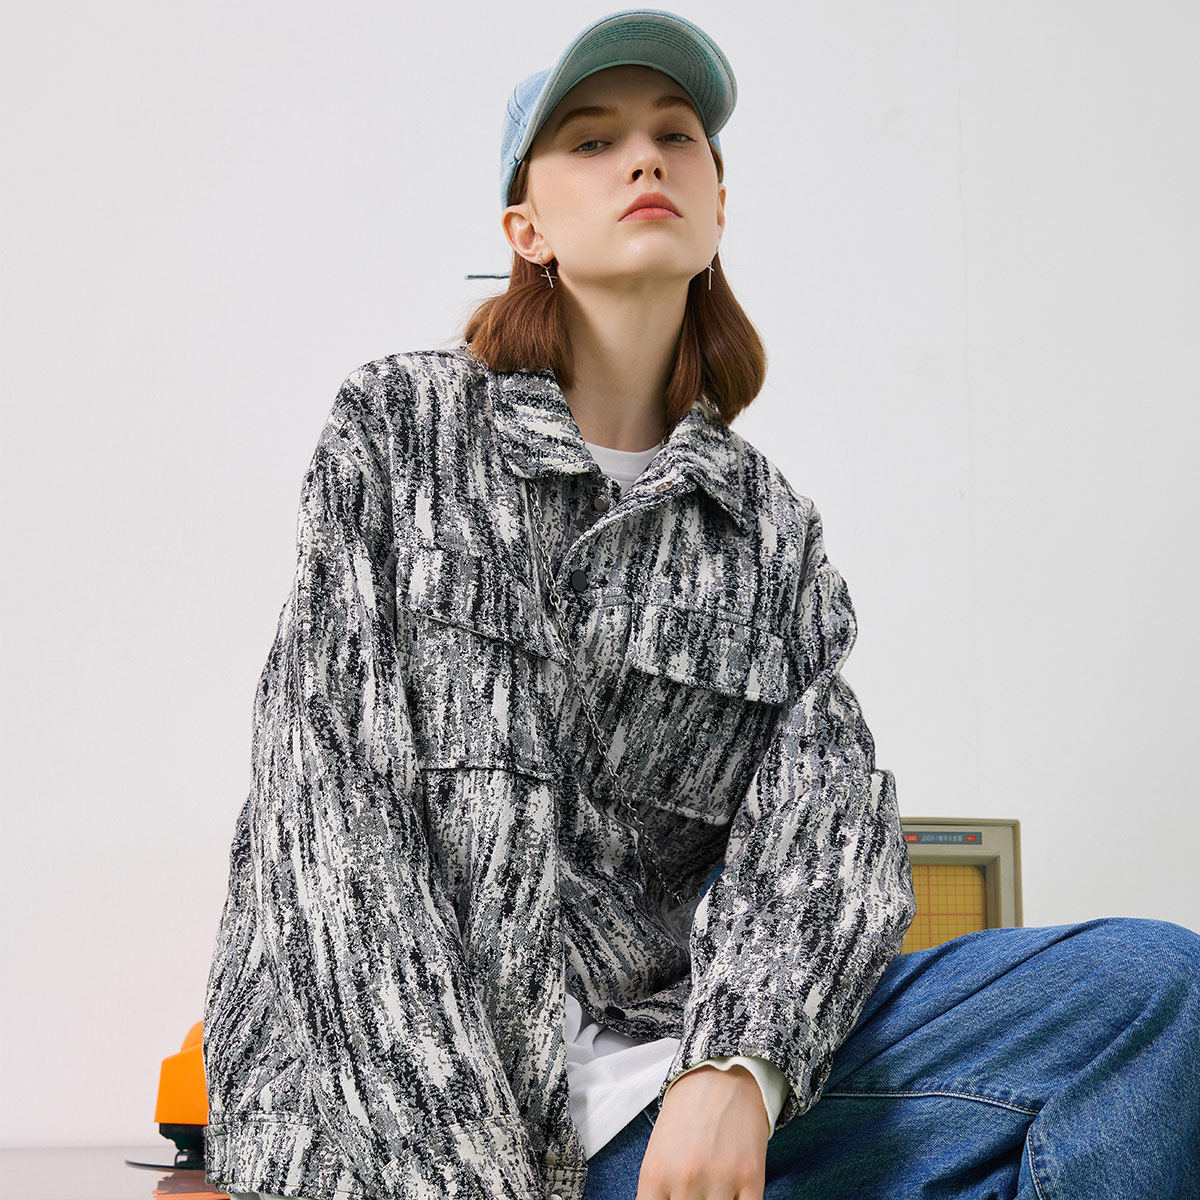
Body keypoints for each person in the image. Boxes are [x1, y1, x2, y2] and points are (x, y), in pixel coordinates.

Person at [203, 9, 1200, 1200]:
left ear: (718, 206)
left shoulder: (765, 525)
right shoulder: (400, 431)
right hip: (424, 1131)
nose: (643, 159)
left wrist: (739, 1064)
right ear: (526, 229)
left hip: (685, 1115)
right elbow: (331, 830)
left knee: (1153, 989)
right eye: (592, 141)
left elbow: (824, 828)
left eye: (675, 136)